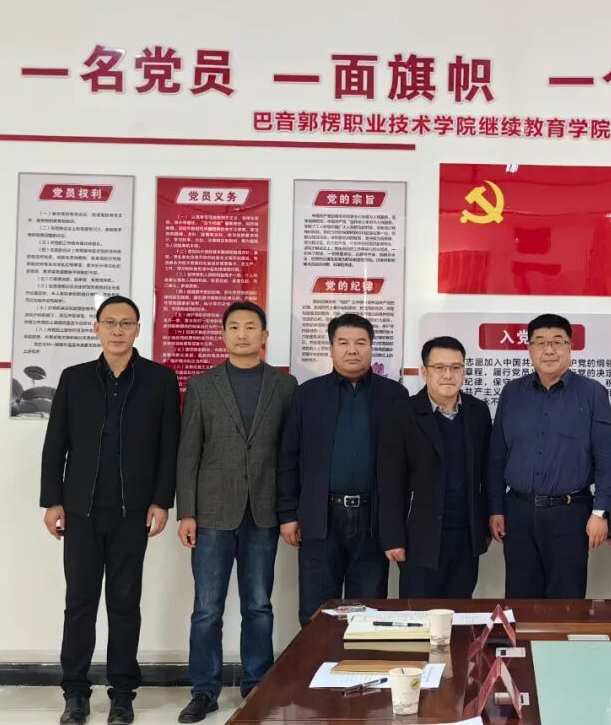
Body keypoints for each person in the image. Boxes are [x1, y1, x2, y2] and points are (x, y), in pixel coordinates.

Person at [39, 295, 180, 725]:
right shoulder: (75, 378)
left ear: (138, 329)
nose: (118, 330)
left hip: (131, 513)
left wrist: (161, 501)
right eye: (110, 322)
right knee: (79, 604)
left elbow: (168, 447)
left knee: (124, 604)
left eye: (126, 323)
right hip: (80, 511)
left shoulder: (159, 379)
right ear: (96, 327)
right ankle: (75, 693)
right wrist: (52, 500)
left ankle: (122, 694)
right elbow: (56, 443)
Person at [174, 302, 297, 722]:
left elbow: (289, 453)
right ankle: (204, 690)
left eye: (250, 327)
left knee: (258, 605)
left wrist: (290, 509)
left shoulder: (284, 386)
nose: (242, 334)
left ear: (264, 336)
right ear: (223, 335)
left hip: (263, 510)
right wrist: (186, 512)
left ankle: (256, 684)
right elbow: (188, 453)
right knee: (207, 607)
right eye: (234, 327)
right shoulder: (202, 385)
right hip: (212, 513)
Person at [277, 313, 407, 624]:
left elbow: (404, 464)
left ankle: (361, 657)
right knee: (317, 612)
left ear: (371, 347)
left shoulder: (394, 396)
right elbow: (288, 457)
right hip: (320, 517)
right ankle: (317, 658)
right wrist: (288, 514)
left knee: (368, 612)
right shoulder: (308, 394)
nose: (352, 350)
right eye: (343, 342)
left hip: (372, 520)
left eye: (360, 342)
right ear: (331, 348)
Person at [487, 314, 611, 599]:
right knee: (520, 598)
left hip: (569, 514)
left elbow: (607, 458)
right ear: (529, 349)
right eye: (541, 342)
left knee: (566, 599)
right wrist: (496, 508)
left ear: (570, 347)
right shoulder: (512, 393)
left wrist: (600, 512)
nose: (549, 350)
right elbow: (497, 456)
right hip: (518, 512)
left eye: (558, 342)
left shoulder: (592, 393)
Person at [378, 336, 492, 598]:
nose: (448, 375)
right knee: (419, 614)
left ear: (464, 371)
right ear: (424, 372)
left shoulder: (477, 412)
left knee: (460, 611)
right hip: (419, 537)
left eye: (456, 367)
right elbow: (389, 480)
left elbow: (487, 472)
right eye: (439, 367)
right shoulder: (402, 414)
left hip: (466, 536)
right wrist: (393, 536)